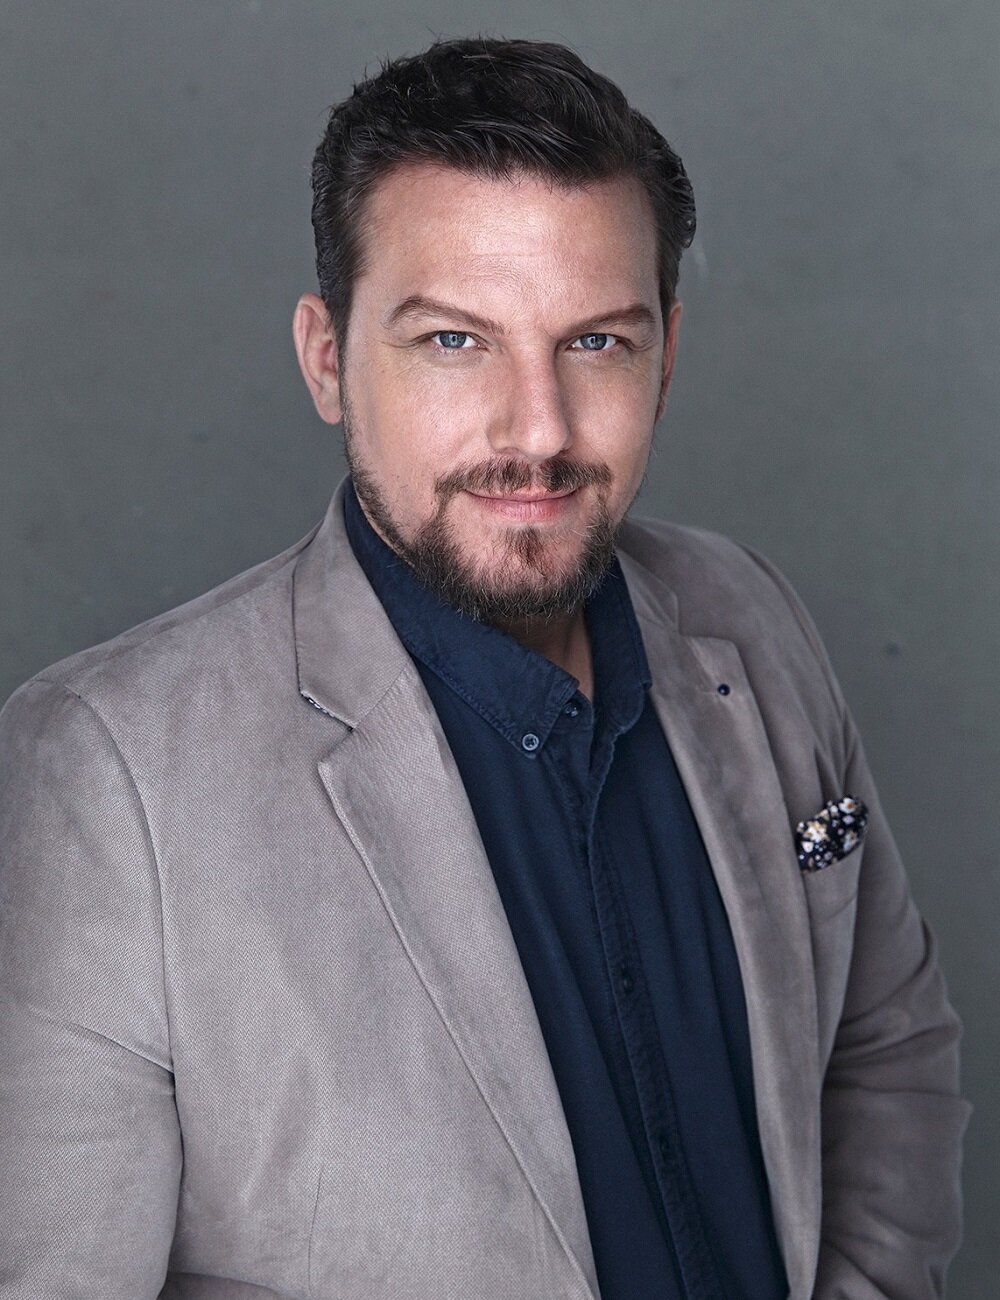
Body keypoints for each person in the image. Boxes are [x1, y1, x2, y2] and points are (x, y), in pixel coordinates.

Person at [0, 36, 968, 1300]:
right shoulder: (109, 769)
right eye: (455, 341)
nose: (538, 430)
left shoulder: (752, 615)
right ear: (328, 359)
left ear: (666, 354)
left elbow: (886, 1053)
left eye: (596, 343)